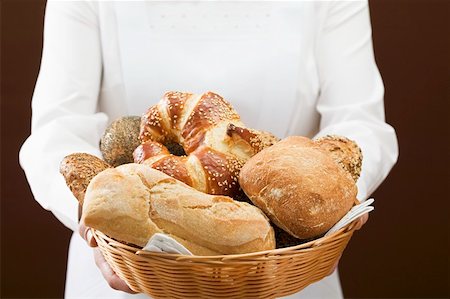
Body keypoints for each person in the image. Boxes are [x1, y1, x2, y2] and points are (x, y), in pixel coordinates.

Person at [19, 1, 398, 298]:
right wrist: (94, 221)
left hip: (285, 268)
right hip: (130, 268)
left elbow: (360, 122)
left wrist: (339, 199)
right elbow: (56, 129)